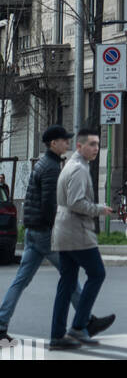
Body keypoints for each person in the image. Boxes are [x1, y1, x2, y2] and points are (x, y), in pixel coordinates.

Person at [0, 125, 114, 347]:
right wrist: (58, 229)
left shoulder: (44, 163)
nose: (67, 143)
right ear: (53, 143)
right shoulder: (52, 168)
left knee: (22, 280)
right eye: (64, 140)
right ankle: (84, 322)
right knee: (69, 277)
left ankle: (1, 324)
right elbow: (50, 205)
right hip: (45, 233)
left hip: (33, 231)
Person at [49, 130, 115, 351]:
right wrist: (100, 209)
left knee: (66, 284)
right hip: (76, 232)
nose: (96, 148)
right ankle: (78, 325)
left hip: (64, 231)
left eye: (98, 144)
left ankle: (58, 335)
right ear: (79, 146)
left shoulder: (73, 165)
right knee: (97, 273)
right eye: (91, 144)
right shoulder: (78, 169)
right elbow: (76, 202)